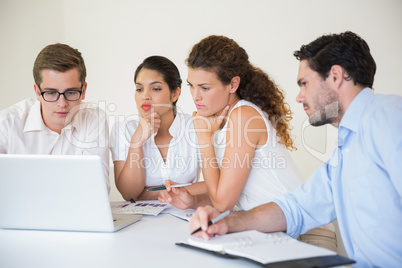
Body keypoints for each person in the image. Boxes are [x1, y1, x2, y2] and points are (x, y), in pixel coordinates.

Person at [189, 31, 402, 267]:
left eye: (304, 84)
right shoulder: (346, 148)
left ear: (335, 77)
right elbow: (297, 208)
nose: (299, 97)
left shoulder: (387, 117)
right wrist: (225, 224)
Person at [0, 43, 110, 192]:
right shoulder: (6, 124)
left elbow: (98, 188)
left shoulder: (94, 119)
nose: (62, 104)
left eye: (71, 92)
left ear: (83, 90)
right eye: (51, 93)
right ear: (37, 92)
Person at [110, 56, 205, 201]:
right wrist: (136, 143)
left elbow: (214, 185)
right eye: (139, 89)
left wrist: (147, 193)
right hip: (142, 222)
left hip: (185, 216)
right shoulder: (123, 130)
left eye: (155, 88)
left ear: (174, 94)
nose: (145, 96)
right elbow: (129, 194)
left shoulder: (195, 126)